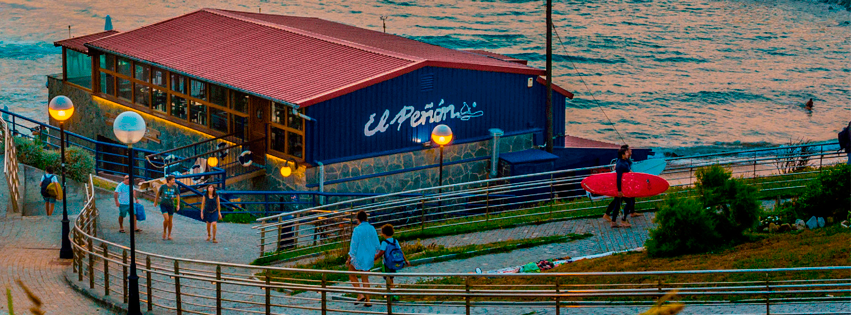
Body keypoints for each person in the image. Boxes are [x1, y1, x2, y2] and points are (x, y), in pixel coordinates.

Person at [346, 210, 379, 307]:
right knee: (365, 278)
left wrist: (349, 258)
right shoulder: (372, 228)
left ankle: (360, 294)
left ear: (358, 219)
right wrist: (376, 255)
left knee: (352, 274)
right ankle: (368, 300)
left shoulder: (357, 230)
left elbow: (353, 245)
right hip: (368, 257)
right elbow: (377, 243)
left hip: (358, 257)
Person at [602, 145, 638, 228]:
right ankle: (623, 220)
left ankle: (613, 222)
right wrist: (619, 190)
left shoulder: (624, 161)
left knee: (617, 204)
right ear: (622, 154)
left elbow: (629, 166)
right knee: (629, 202)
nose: (628, 153)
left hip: (624, 186)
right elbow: (618, 178)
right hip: (622, 187)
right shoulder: (620, 165)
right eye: (626, 152)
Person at [374, 224, 411, 302]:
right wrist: (406, 260)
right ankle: (392, 293)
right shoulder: (395, 241)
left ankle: (391, 294)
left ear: (383, 233)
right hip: (394, 262)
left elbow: (382, 252)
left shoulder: (384, 242)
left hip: (387, 263)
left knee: (388, 279)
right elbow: (400, 251)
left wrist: (375, 258)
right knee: (391, 279)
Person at [154, 175, 180, 240]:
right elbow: (158, 193)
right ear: (169, 180)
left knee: (170, 220)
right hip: (163, 204)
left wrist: (178, 204)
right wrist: (156, 201)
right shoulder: (163, 187)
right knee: (166, 219)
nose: (174, 181)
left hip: (171, 205)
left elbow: (178, 195)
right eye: (173, 180)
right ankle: (164, 231)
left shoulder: (174, 187)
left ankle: (169, 234)